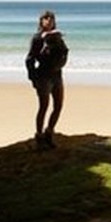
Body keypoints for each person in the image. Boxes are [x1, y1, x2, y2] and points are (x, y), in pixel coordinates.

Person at [25, 9, 68, 148]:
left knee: (58, 106)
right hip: (43, 77)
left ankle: (49, 132)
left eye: (51, 19)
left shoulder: (57, 37)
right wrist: (33, 78)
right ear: (41, 21)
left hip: (57, 75)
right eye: (46, 18)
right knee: (43, 106)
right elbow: (29, 59)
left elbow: (64, 52)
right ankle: (39, 136)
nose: (49, 21)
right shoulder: (37, 38)